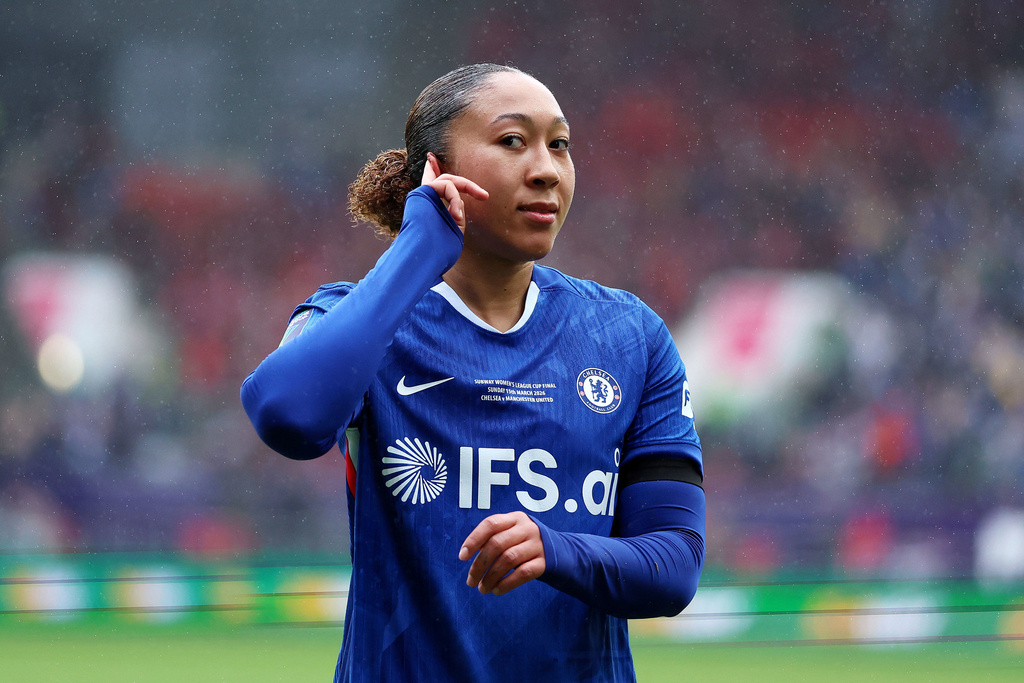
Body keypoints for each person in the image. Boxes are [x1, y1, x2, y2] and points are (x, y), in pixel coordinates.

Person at [241, 63, 705, 683]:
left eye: (559, 144)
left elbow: (674, 566)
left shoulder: (630, 336)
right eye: (513, 140)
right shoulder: (354, 320)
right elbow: (287, 418)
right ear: (437, 170)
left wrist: (556, 550)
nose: (546, 169)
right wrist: (419, 246)